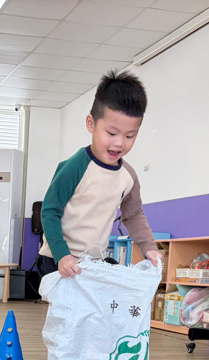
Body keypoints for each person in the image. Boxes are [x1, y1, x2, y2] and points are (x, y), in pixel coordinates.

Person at [38, 70, 161, 276]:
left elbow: (133, 214)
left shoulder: (128, 176)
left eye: (129, 136)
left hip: (94, 263)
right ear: (91, 124)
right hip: (58, 258)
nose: (119, 143)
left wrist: (149, 247)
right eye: (111, 133)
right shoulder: (75, 166)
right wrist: (62, 255)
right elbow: (50, 211)